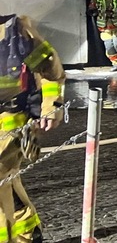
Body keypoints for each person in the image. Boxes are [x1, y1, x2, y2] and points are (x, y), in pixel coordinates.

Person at [0, 13, 65, 243]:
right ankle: (28, 230)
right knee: (7, 179)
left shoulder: (16, 33)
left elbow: (51, 69)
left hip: (10, 120)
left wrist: (51, 105)